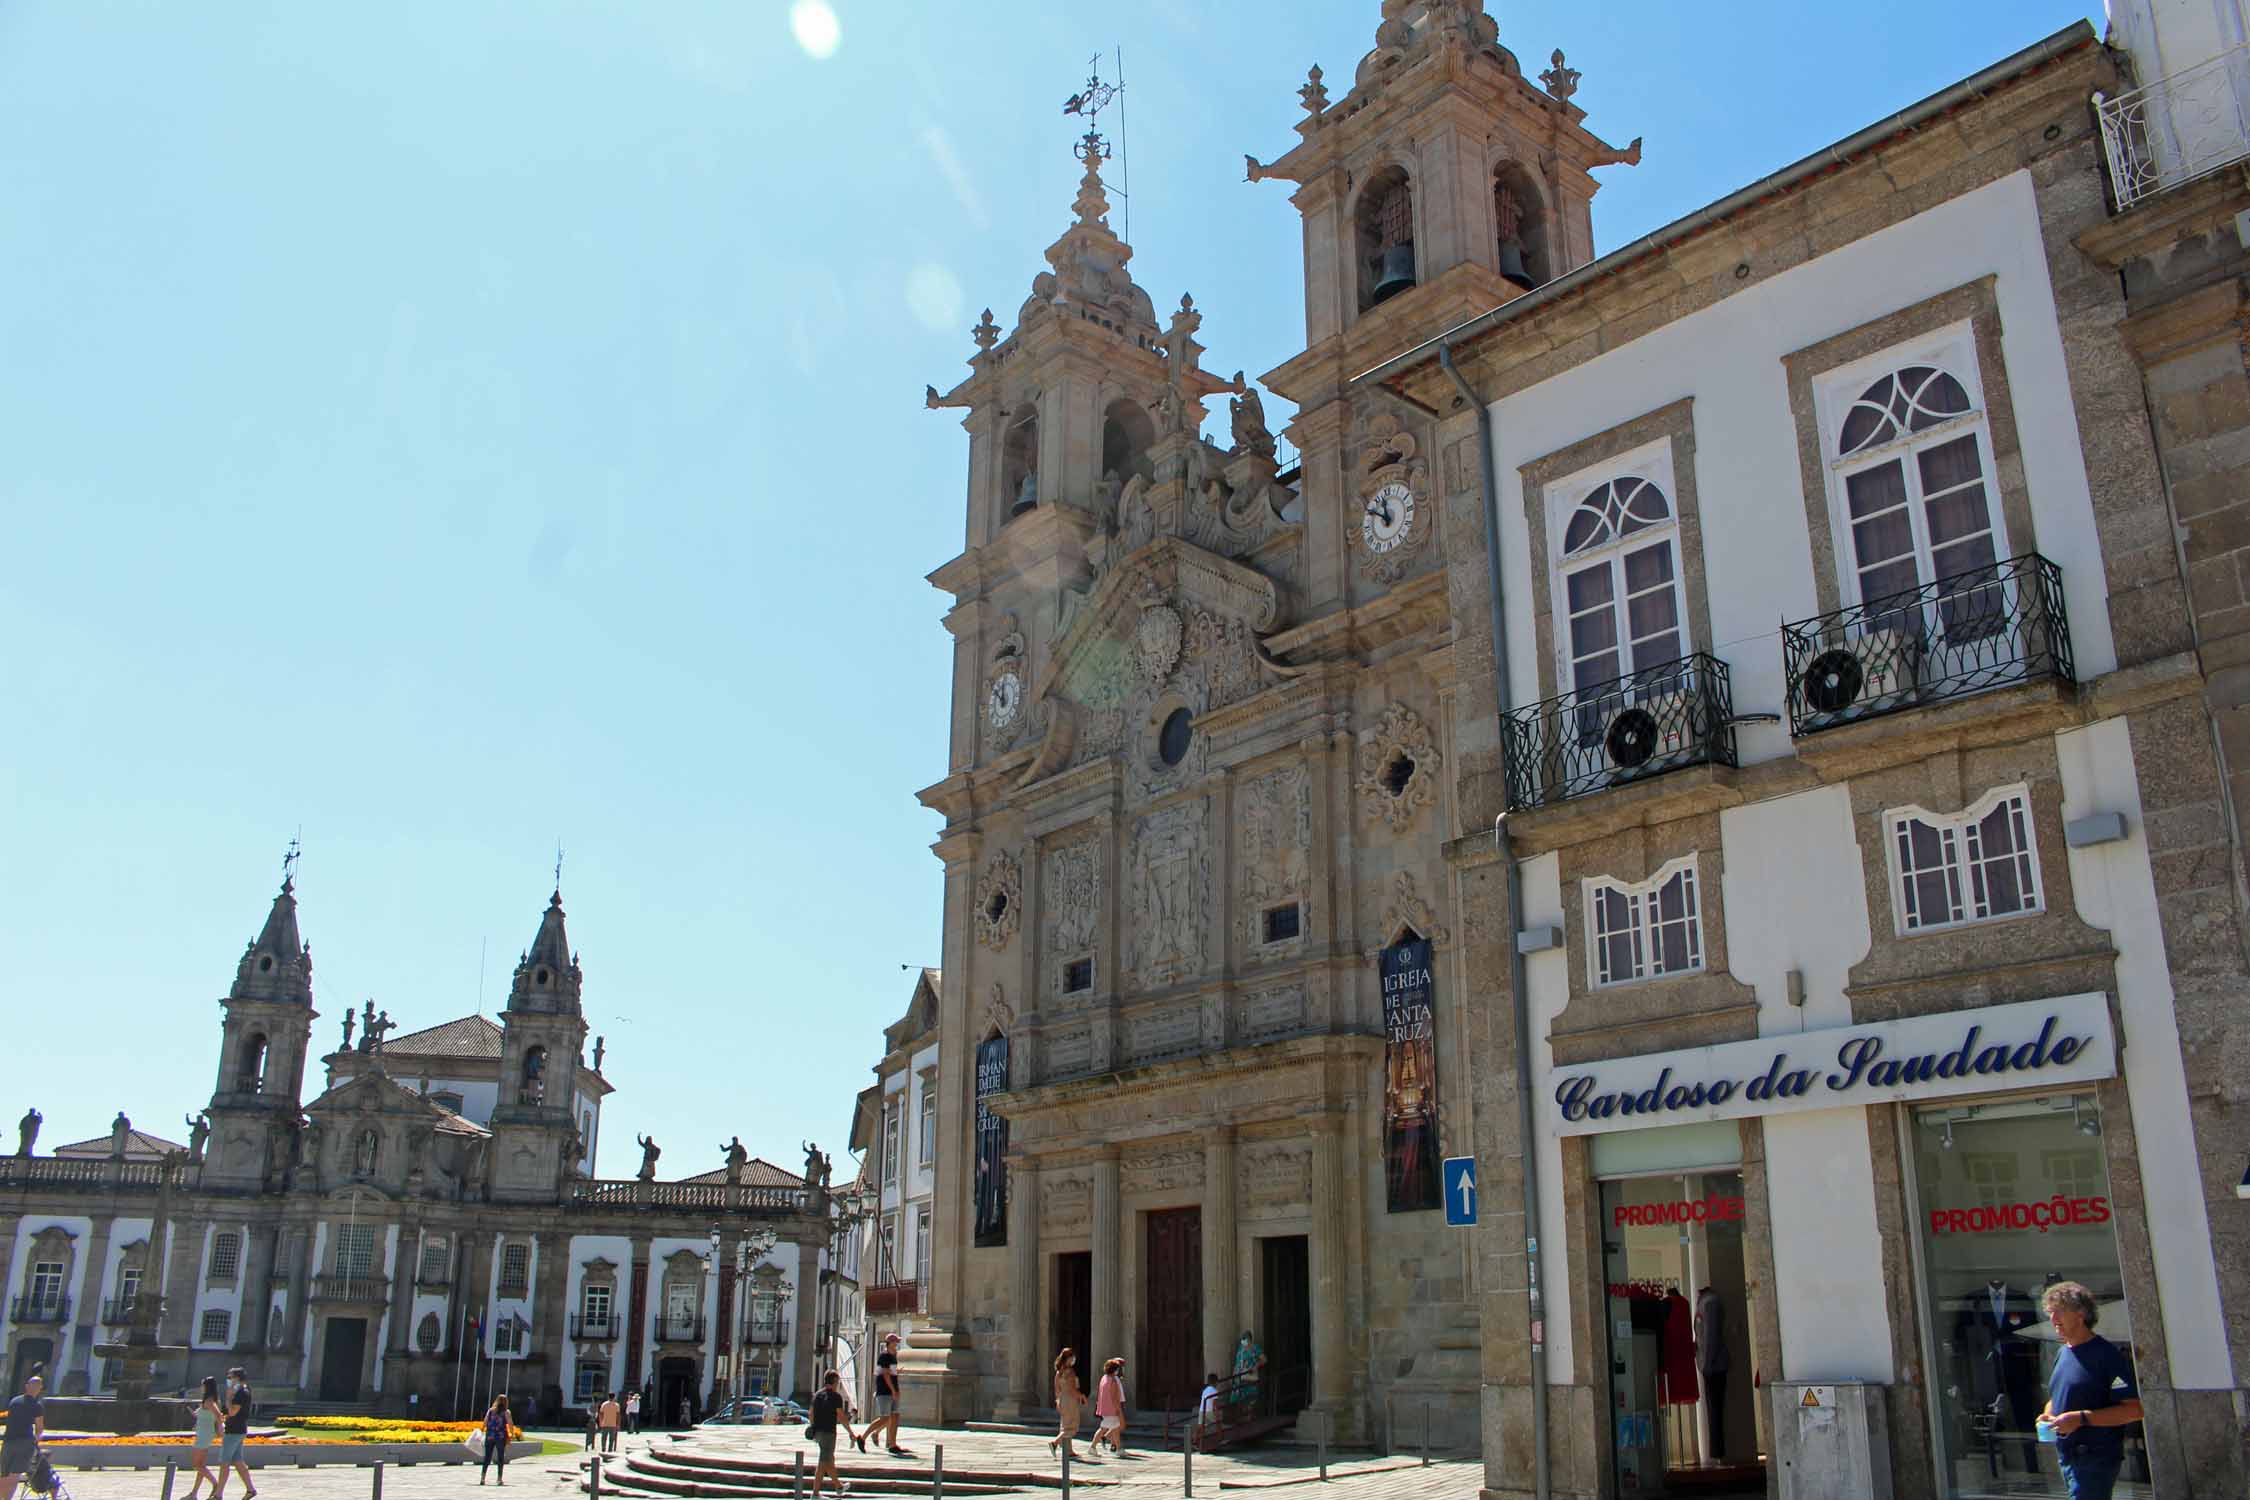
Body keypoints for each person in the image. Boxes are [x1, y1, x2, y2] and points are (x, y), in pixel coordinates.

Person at [2037, 1281, 2143, 1500]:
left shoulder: (2107, 1355)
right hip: (2068, 1457)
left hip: (2095, 1459)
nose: (2053, 1319)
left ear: (2081, 1314)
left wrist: (2082, 1418)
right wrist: (2048, 1415)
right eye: (2050, 1313)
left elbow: (2133, 1411)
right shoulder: (2063, 1353)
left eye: (2059, 1312)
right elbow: (2057, 1397)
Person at [806, 1370, 859, 1499]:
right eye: (838, 1382)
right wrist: (851, 1432)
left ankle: (838, 1486)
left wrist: (813, 1428)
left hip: (818, 1432)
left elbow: (810, 1413)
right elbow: (841, 1417)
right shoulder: (836, 1396)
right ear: (835, 1382)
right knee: (824, 1461)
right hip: (829, 1433)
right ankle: (816, 1494)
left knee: (827, 1460)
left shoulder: (817, 1395)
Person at [1, 1370, 45, 1500]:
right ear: (39, 1389)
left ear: (26, 1386)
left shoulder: (14, 1401)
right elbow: (40, 1428)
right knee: (14, 1475)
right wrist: (36, 1441)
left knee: (3, 1474)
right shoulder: (37, 1406)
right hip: (24, 1442)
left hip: (8, 1440)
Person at [861, 1332, 906, 1455]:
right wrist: (893, 1390)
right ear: (890, 1343)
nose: (897, 1344)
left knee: (895, 1416)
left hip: (892, 1390)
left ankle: (892, 1443)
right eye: (895, 1342)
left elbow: (891, 1373)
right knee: (885, 1417)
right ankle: (863, 1437)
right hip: (885, 1391)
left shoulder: (893, 1356)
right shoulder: (885, 1356)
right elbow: (885, 1375)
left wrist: (897, 1378)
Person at [221, 1367, 259, 1500]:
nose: (229, 1380)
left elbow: (231, 1412)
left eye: (230, 1377)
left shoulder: (241, 1393)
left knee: (225, 1462)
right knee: (238, 1461)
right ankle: (250, 1489)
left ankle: (218, 1493)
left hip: (234, 1430)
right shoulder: (244, 1390)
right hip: (239, 1429)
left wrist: (228, 1397)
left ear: (237, 1378)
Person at [186, 1376, 225, 1499]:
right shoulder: (208, 1401)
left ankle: (215, 1484)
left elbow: (219, 1416)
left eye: (202, 1385)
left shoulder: (209, 1401)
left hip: (204, 1435)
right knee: (201, 1465)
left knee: (196, 1464)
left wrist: (220, 1429)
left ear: (207, 1387)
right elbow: (203, 1416)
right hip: (203, 1433)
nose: (201, 1387)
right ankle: (194, 1494)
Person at [1048, 1349, 1084, 1459]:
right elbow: (1072, 1389)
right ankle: (1055, 1443)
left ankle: (1069, 1450)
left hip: (1063, 1399)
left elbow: (1057, 1389)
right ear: (1068, 1358)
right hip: (1070, 1400)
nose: (1074, 1360)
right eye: (1072, 1357)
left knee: (1065, 1424)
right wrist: (1081, 1396)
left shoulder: (1059, 1372)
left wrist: (1058, 1401)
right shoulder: (1070, 1372)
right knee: (1071, 1426)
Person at [1092, 1359, 1127, 1456]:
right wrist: (1118, 1410)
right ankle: (1094, 1446)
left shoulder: (1104, 1378)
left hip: (1105, 1409)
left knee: (1111, 1428)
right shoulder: (1113, 1381)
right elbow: (1114, 1397)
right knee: (1109, 1428)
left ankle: (1116, 1448)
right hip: (1112, 1409)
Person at [479, 1394, 512, 1485]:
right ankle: (499, 1478)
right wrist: (511, 1435)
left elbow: (485, 1422)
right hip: (501, 1437)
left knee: (487, 1457)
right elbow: (510, 1424)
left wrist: (482, 1431)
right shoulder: (506, 1412)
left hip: (490, 1436)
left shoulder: (490, 1411)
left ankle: (483, 1477)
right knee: (500, 1457)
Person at [1231, 1331, 1263, 1412]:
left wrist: (1255, 1366)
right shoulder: (1241, 1348)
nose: (1243, 1341)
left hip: (1249, 1375)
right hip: (1239, 1376)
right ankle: (1242, 1415)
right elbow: (1237, 1362)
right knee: (1238, 1396)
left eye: (1244, 1338)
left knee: (1250, 1397)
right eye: (1242, 1339)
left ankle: (1249, 1416)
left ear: (1249, 1339)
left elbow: (1264, 1359)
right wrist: (1234, 1373)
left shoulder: (1255, 1348)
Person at [1197, 1372, 1221, 1445]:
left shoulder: (1205, 1390)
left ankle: (1196, 1441)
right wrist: (1217, 1413)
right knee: (1218, 1423)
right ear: (1216, 1382)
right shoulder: (1214, 1391)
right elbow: (1215, 1404)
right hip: (1209, 1411)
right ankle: (1220, 1439)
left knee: (1200, 1426)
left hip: (1202, 1410)